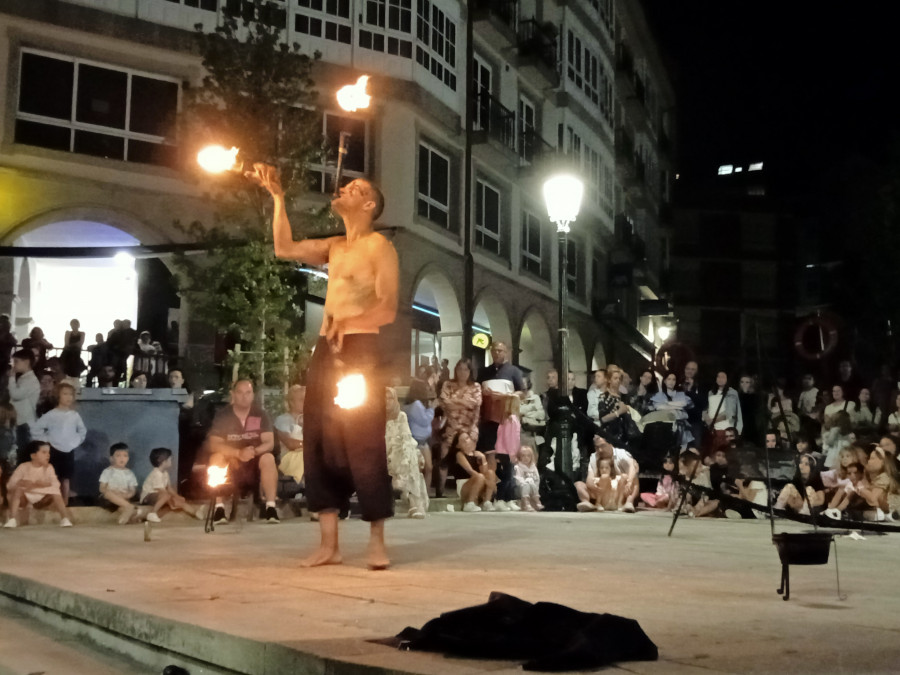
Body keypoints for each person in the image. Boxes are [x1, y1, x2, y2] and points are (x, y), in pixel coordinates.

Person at [251, 164, 398, 570]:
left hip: (360, 350)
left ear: (368, 204)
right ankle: (328, 543)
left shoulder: (380, 248)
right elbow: (284, 248)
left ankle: (376, 541)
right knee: (318, 438)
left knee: (363, 441)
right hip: (326, 352)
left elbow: (387, 307)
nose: (344, 189)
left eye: (354, 188)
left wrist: (347, 322)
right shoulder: (335, 246)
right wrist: (278, 198)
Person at [207, 379, 280, 524]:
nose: (244, 396)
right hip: (231, 462)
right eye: (240, 392)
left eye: (248, 393)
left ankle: (271, 508)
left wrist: (253, 451)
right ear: (233, 394)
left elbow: (269, 443)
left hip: (255, 461)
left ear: (253, 395)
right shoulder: (223, 415)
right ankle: (219, 509)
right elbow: (214, 444)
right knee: (216, 458)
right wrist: (238, 453)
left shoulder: (261, 414)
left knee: (268, 458)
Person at [476, 340, 525, 512]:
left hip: (506, 420)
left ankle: (508, 496)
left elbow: (522, 392)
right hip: (489, 420)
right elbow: (477, 391)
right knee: (491, 459)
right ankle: (493, 496)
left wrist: (506, 396)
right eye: (494, 350)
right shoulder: (484, 372)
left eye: (500, 350)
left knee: (508, 459)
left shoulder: (514, 371)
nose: (497, 353)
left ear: (506, 352)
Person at [30, 382, 87, 505]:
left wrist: (74, 442)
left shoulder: (74, 415)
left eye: (71, 395)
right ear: (58, 396)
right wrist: (47, 440)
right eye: (65, 394)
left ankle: (64, 503)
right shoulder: (51, 415)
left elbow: (82, 431)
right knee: (54, 477)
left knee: (66, 478)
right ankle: (52, 502)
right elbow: (36, 429)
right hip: (54, 450)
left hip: (68, 450)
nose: (68, 397)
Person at [4, 440, 73, 528]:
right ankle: (12, 519)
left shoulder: (49, 468)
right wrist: (22, 483)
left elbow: (55, 485)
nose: (48, 455)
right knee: (18, 490)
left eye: (49, 453)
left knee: (56, 494)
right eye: (44, 452)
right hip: (26, 498)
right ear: (33, 455)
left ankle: (65, 518)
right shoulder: (23, 467)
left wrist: (36, 485)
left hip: (42, 499)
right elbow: (10, 485)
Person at [438, 359, 482, 497]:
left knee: (468, 459)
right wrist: (464, 404)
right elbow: (445, 402)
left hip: (469, 427)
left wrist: (455, 402)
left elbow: (476, 403)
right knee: (444, 458)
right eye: (459, 369)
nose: (462, 373)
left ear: (470, 371)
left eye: (465, 369)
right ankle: (440, 491)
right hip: (451, 427)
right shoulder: (448, 384)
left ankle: (471, 492)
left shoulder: (475, 386)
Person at [385, 388, 429, 518]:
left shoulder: (401, 416)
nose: (387, 401)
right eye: (384, 398)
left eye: (390, 398)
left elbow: (406, 437)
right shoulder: (374, 417)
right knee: (410, 456)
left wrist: (402, 453)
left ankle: (414, 502)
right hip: (382, 451)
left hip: (400, 450)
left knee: (410, 454)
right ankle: (414, 503)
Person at [576, 434, 640, 513]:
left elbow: (633, 466)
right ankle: (587, 502)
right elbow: (590, 477)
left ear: (610, 444)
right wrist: (591, 484)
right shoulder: (594, 457)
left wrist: (629, 482)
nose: (600, 450)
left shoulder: (621, 454)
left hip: (620, 491)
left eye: (602, 446)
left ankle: (628, 503)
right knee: (578, 484)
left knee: (634, 479)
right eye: (597, 447)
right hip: (601, 492)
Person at [140, 447, 202, 522]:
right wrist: (171, 501)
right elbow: (162, 491)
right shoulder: (156, 474)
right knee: (168, 496)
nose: (171, 461)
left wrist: (177, 497)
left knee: (179, 501)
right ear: (163, 461)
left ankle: (195, 513)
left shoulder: (165, 473)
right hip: (148, 497)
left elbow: (169, 488)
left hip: (160, 496)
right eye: (170, 459)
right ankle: (152, 513)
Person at [450, 431, 497, 512]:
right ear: (458, 445)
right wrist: (488, 483)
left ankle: (487, 502)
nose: (466, 441)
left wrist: (483, 458)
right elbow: (471, 471)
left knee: (490, 473)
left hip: (479, 481)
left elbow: (485, 472)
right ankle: (469, 503)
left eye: (467, 438)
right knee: (480, 476)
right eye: (463, 441)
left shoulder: (476, 454)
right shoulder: (459, 454)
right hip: (464, 483)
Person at [404, 378, 435, 489]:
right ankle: (418, 494)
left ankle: (424, 494)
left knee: (428, 467)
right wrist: (432, 408)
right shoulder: (416, 404)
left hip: (423, 440)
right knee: (420, 469)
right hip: (417, 441)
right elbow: (424, 420)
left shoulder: (416, 404)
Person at [650, 371, 694, 449]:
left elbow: (684, 404)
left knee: (681, 450)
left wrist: (668, 403)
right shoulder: (659, 395)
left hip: (681, 428)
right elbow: (659, 407)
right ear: (665, 381)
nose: (671, 381)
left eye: (674, 379)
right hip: (664, 427)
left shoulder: (680, 394)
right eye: (669, 379)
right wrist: (677, 406)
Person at [99, 442, 139, 524]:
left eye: (125, 456)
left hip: (123, 498)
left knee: (125, 508)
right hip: (110, 499)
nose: (122, 458)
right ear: (111, 458)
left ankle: (129, 512)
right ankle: (130, 508)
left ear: (128, 458)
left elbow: (132, 490)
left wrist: (127, 495)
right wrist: (113, 494)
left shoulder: (130, 473)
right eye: (118, 456)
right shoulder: (108, 471)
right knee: (107, 493)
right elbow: (102, 488)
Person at [703, 371, 742, 455]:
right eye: (718, 376)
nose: (720, 379)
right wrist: (707, 420)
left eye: (723, 377)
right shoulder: (710, 392)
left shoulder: (732, 392)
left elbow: (730, 412)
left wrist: (713, 421)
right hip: (714, 430)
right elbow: (707, 408)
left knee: (726, 454)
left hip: (726, 429)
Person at [274, 384, 306, 486]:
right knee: (309, 458)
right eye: (301, 399)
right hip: (288, 457)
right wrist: (309, 445)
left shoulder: (310, 419)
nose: (305, 402)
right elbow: (289, 443)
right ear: (291, 402)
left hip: (305, 452)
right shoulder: (283, 420)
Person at [9, 349, 39, 452]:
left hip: (25, 423)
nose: (14, 365)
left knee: (23, 453)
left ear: (27, 362)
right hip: (20, 422)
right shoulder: (24, 379)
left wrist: (11, 378)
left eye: (17, 361)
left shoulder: (31, 380)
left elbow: (16, 395)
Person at [514, 445, 542, 511]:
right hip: (520, 488)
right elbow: (517, 480)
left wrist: (532, 484)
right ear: (519, 457)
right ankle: (526, 503)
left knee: (531, 482)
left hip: (533, 488)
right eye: (523, 456)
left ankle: (536, 500)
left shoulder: (533, 467)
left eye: (528, 456)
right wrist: (526, 482)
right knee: (527, 483)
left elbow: (537, 479)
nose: (526, 458)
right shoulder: (518, 467)